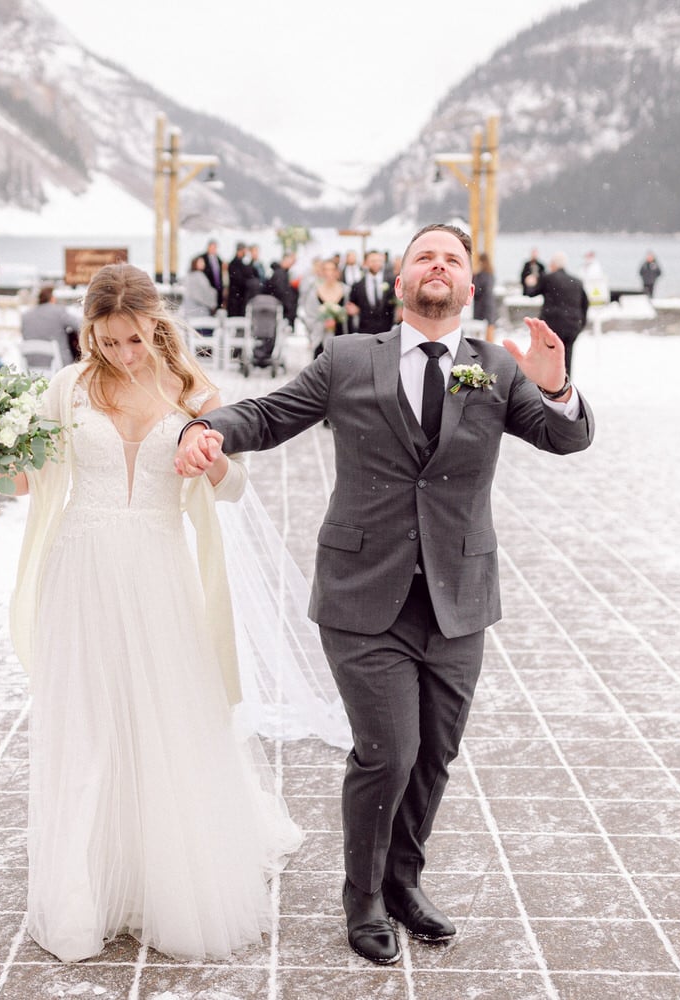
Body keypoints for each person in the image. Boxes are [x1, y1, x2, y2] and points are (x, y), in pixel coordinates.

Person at [175, 224, 594, 965]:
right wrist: (210, 428)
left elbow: (567, 439)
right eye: (423, 256)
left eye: (453, 259)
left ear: (469, 286)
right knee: (388, 751)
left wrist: (556, 383)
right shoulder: (345, 358)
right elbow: (270, 414)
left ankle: (405, 882)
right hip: (363, 594)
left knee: (436, 751)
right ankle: (363, 896)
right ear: (401, 281)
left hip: (459, 597)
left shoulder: (496, 369)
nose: (438, 266)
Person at [6, 264, 304, 963]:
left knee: (163, 715)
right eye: (108, 342)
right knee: (87, 721)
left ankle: (163, 877)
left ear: (154, 323)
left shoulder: (194, 392)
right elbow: (25, 478)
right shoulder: (67, 389)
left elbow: (231, 491)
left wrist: (213, 464)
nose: (122, 354)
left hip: (160, 570)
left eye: (133, 339)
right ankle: (83, 887)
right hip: (80, 568)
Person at [529, 252, 589, 378]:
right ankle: (566, 383)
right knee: (567, 357)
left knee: (549, 357)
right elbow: (585, 304)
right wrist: (581, 324)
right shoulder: (577, 281)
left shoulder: (548, 278)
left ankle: (550, 385)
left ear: (553, 265)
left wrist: (529, 282)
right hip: (572, 325)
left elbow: (531, 293)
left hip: (553, 326)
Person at [301, 258, 351, 354]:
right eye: (326, 270)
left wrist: (341, 317)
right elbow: (309, 316)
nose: (329, 273)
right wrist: (323, 324)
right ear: (321, 272)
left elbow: (351, 315)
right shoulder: (314, 291)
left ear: (337, 272)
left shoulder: (346, 290)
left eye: (332, 269)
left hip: (341, 338)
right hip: (320, 340)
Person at [20, 285, 81, 362]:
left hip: (31, 363)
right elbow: (80, 325)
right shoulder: (59, 312)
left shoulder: (26, 315)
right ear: (52, 298)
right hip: (57, 363)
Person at [347, 250, 398, 336]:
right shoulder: (357, 285)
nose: (376, 263)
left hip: (387, 329)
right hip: (365, 330)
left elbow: (397, 300)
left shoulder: (391, 281)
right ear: (366, 262)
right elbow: (351, 304)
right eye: (373, 260)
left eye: (379, 260)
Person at [181, 254, 218, 319]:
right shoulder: (199, 276)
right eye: (200, 262)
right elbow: (204, 292)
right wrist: (213, 294)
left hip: (190, 310)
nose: (203, 264)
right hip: (199, 310)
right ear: (195, 263)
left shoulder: (189, 275)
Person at [472, 253, 498, 341]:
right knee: (490, 329)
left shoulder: (480, 275)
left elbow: (476, 290)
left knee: (480, 331)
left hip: (481, 305)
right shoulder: (491, 274)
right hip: (490, 304)